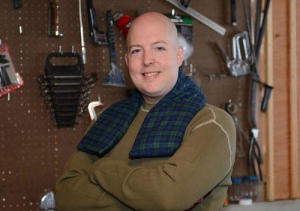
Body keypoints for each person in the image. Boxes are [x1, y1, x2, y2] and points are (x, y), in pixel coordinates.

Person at [55, 11, 236, 211]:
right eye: (136, 51)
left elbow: (168, 198)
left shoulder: (211, 123)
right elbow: (66, 194)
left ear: (178, 55)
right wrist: (143, 198)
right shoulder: (107, 119)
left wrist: (100, 169)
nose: (147, 60)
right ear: (126, 60)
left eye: (159, 48)